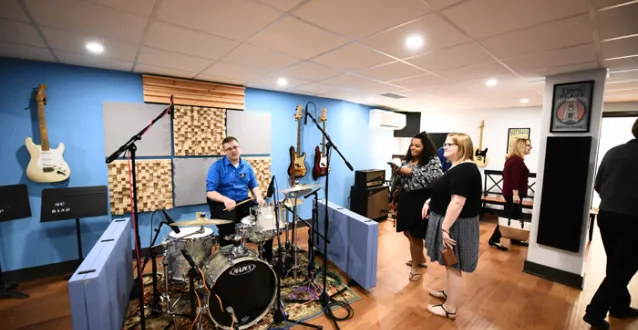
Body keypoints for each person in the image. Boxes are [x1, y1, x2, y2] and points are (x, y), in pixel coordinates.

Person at [583, 118, 638, 330]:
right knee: (624, 267)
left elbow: (598, 184)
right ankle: (595, 311)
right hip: (633, 218)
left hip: (606, 215)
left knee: (616, 263)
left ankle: (620, 305)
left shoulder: (613, 152)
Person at [422, 132, 483, 320]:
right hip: (451, 221)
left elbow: (457, 202)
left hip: (456, 224)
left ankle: (449, 308)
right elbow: (446, 192)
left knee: (453, 264)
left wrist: (445, 228)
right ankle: (449, 293)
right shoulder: (457, 167)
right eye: (445, 144)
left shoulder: (464, 170)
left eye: (450, 144)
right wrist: (429, 201)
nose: (444, 147)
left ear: (462, 148)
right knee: (450, 264)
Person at [206, 136, 273, 262]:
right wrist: (225, 200)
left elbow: (253, 185)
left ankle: (267, 259)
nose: (233, 150)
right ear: (225, 151)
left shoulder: (246, 166)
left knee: (265, 223)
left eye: (235, 147)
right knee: (228, 228)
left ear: (239, 147)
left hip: (243, 201)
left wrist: (258, 197)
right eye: (229, 149)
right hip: (223, 204)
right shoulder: (217, 167)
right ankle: (227, 262)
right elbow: (210, 192)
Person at [391, 131, 443, 281]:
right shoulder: (407, 160)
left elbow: (436, 178)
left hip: (421, 201)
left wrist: (411, 172)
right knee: (406, 231)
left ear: (425, 147)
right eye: (412, 145)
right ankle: (419, 258)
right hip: (406, 199)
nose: (413, 148)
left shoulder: (432, 161)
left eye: (417, 145)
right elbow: (402, 178)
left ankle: (415, 266)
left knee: (415, 234)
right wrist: (398, 172)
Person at [488, 138, 532, 251]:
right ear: (520, 146)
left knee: (515, 215)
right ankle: (494, 239)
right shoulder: (517, 161)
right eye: (528, 145)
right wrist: (516, 194)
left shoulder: (512, 159)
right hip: (514, 194)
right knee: (510, 215)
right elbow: (515, 179)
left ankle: (515, 239)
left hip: (510, 193)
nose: (530, 148)